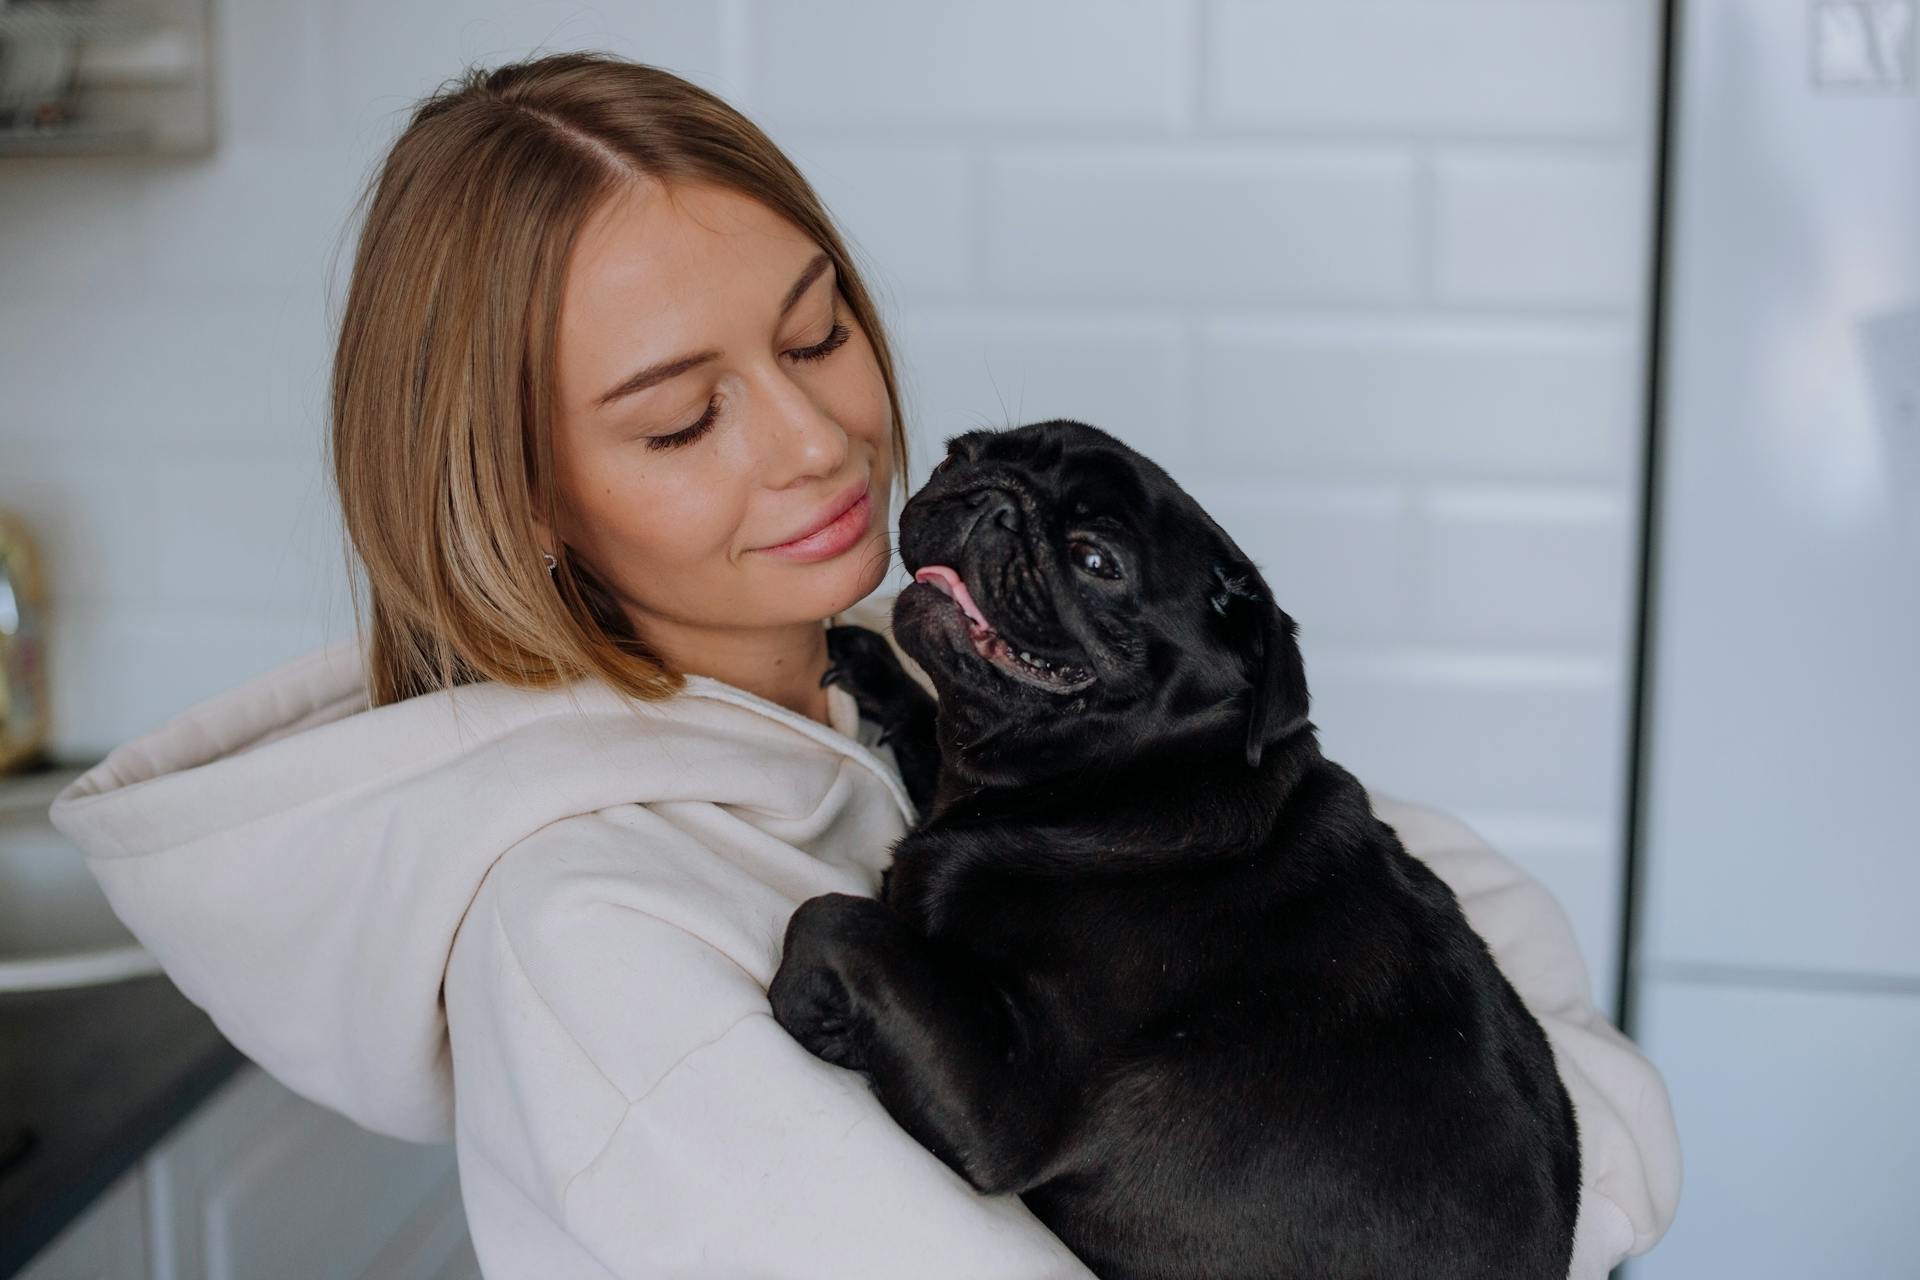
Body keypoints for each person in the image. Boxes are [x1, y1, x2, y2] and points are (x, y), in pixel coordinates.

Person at [48, 52, 1679, 1279]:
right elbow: (1514, 1013)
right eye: (686, 418)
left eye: (819, 331)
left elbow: (1448, 896)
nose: (824, 439)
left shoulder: (902, 702)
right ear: (523, 500)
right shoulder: (590, 934)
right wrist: (1554, 1196)